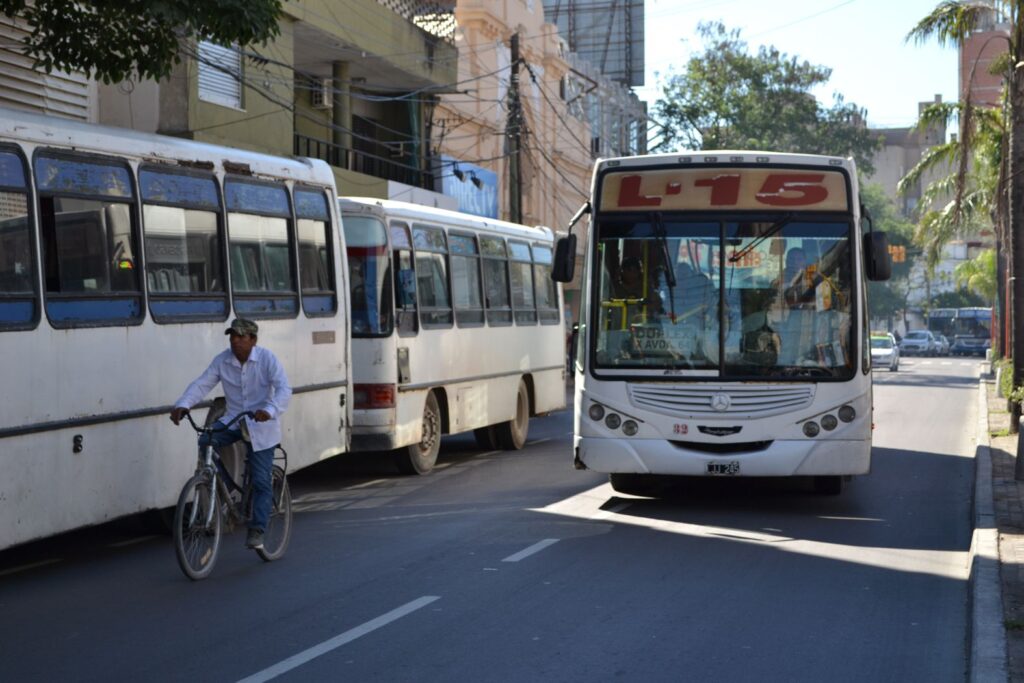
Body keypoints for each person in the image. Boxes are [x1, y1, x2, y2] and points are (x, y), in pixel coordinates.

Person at [170, 318, 292, 550]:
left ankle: (257, 529)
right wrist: (183, 404)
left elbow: (284, 389)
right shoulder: (223, 360)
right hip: (234, 420)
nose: (235, 341)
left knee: (260, 480)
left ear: (253, 340)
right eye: (232, 336)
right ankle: (214, 483)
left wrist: (269, 410)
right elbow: (202, 383)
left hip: (260, 424)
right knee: (206, 440)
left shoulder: (267, 359)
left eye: (241, 337)